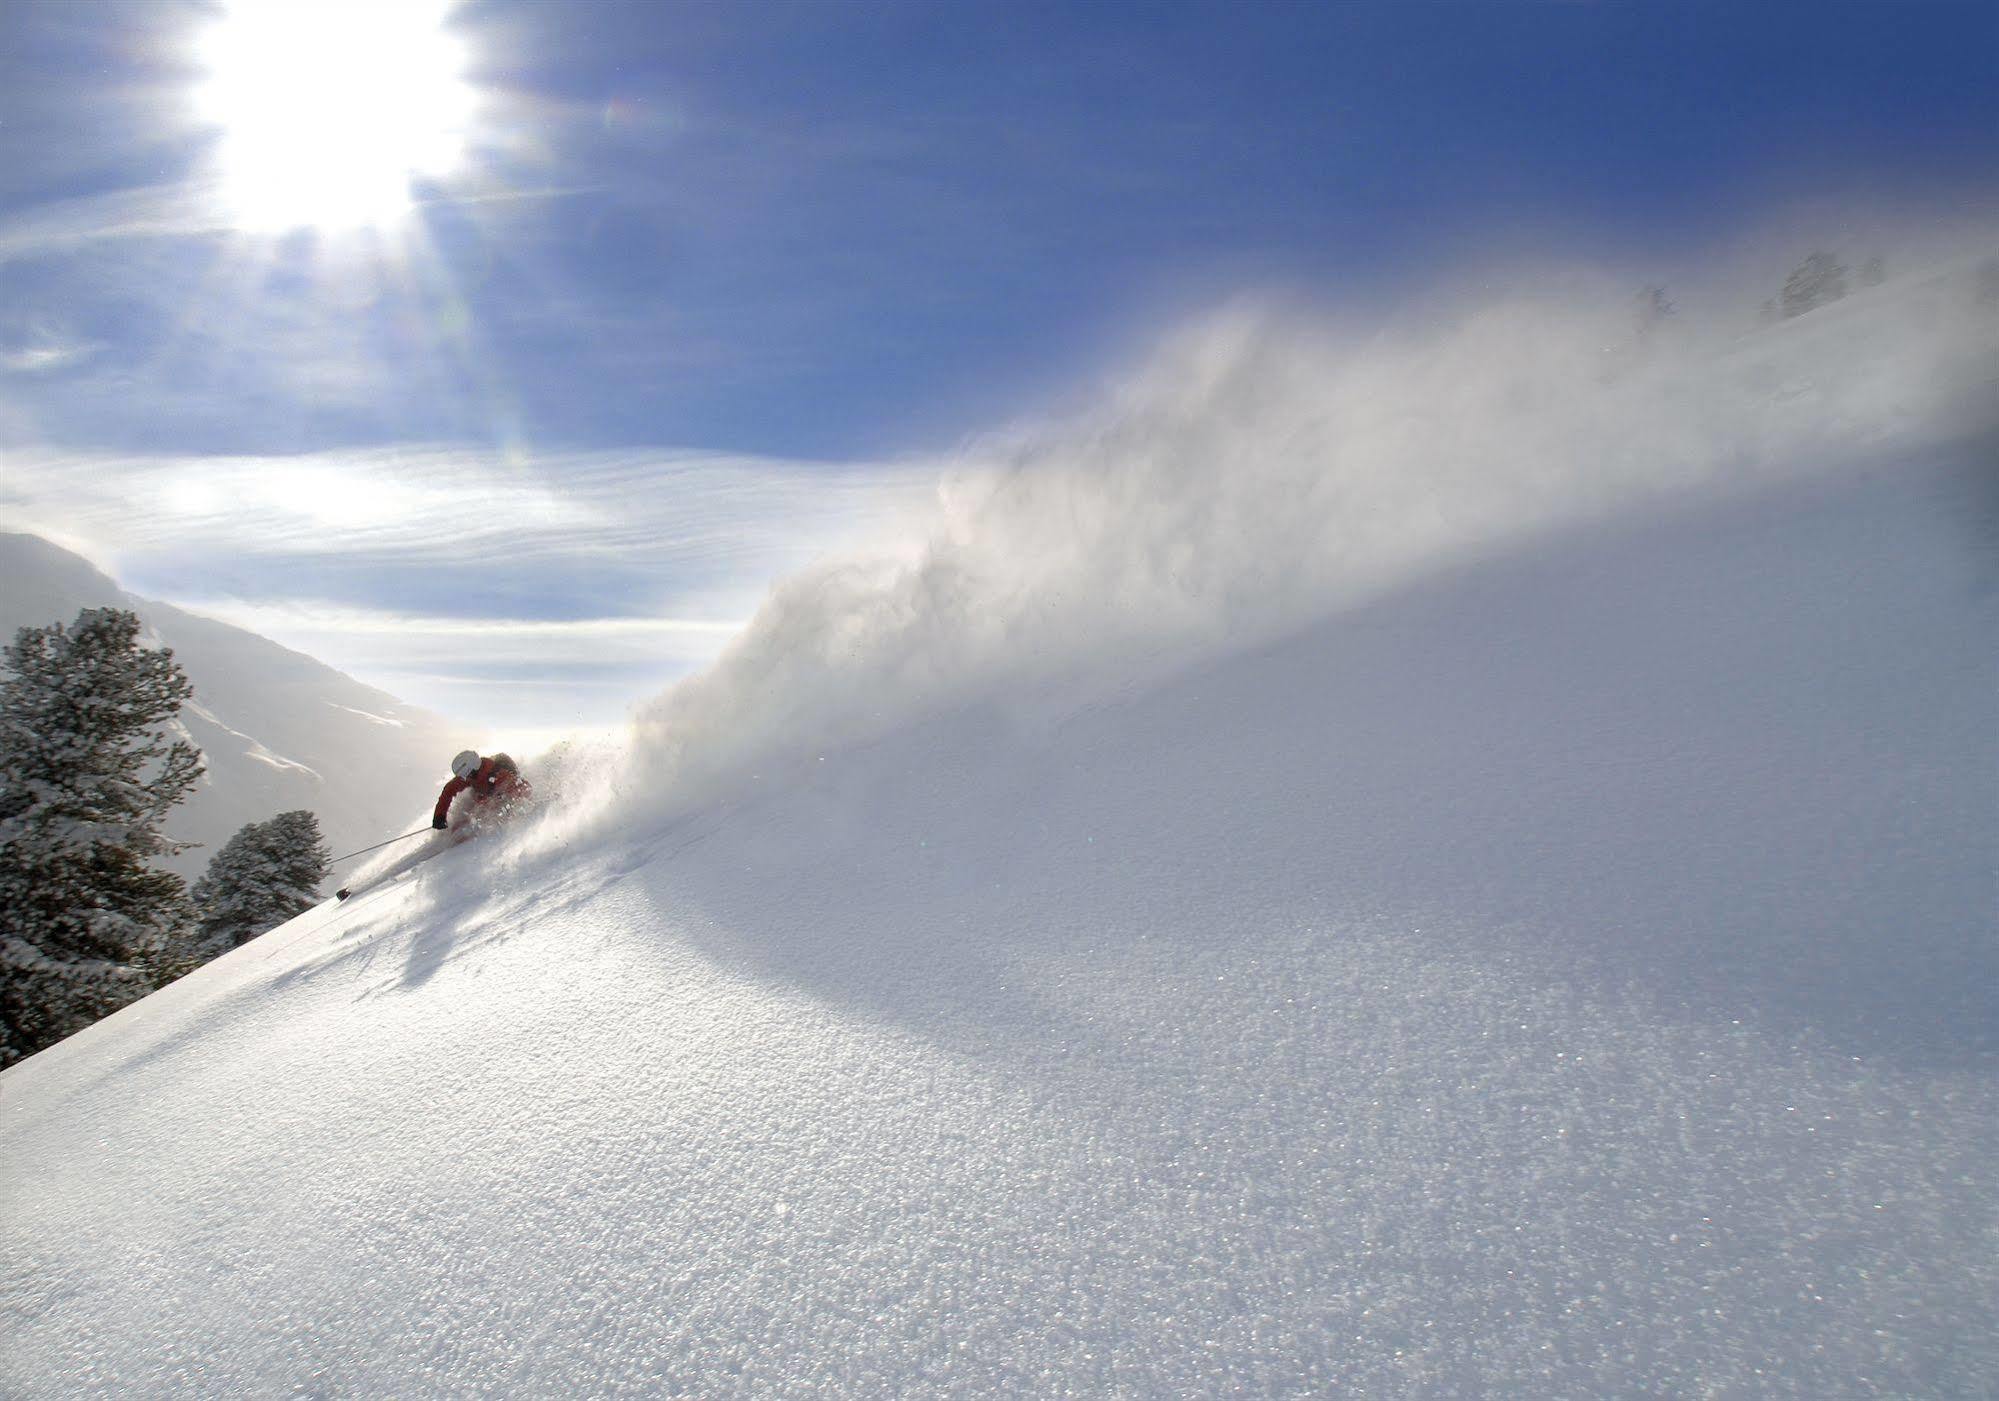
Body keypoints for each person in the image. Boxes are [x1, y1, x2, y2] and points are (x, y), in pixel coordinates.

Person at [433, 749, 532, 831]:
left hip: (500, 792)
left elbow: (523, 788)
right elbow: (449, 791)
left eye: (468, 775)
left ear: (474, 770)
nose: (466, 779)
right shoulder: (469, 775)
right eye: (465, 777)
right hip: (486, 790)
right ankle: (463, 826)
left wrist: (517, 805)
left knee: (489, 806)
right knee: (478, 804)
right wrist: (440, 815)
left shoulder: (500, 776)